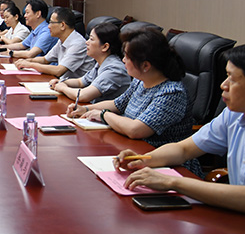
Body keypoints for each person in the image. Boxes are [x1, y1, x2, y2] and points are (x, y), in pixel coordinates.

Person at [115, 42, 245, 227]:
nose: (223, 85)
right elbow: (183, 149)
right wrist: (142, 159)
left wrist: (172, 182)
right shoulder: (234, 115)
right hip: (241, 221)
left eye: (232, 79)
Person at [66, 28, 194, 152]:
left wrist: (103, 115)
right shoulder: (140, 81)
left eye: (127, 57)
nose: (123, 60)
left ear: (145, 65)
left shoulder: (172, 93)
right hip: (128, 147)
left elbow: (135, 130)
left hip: (158, 158)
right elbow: (117, 104)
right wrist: (86, 109)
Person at [49, 22, 130, 103]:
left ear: (105, 47)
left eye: (91, 39)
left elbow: (82, 96)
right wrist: (62, 82)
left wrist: (63, 88)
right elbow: (80, 82)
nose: (86, 42)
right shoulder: (101, 63)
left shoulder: (114, 69)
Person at [15, 7, 95, 79]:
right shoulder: (61, 40)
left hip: (77, 88)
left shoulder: (77, 44)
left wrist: (30, 65)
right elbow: (45, 60)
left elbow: (58, 70)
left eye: (51, 23)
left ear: (62, 25)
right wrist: (27, 61)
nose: (48, 26)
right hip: (63, 83)